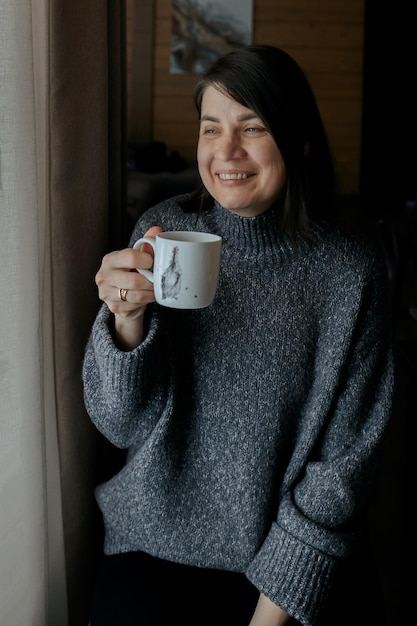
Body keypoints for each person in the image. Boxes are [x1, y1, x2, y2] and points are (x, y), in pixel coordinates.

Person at [82, 45, 394, 626]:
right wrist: (125, 323)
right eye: (211, 129)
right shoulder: (161, 236)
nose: (226, 152)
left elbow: (344, 466)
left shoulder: (349, 272)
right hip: (155, 537)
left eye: (252, 127)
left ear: (298, 140)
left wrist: (270, 613)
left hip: (289, 555)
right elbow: (119, 424)